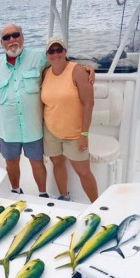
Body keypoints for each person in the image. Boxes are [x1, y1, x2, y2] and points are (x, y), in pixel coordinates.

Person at [0, 23, 94, 198]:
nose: (12, 40)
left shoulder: (39, 57)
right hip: (8, 128)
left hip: (33, 127)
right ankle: (15, 191)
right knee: (11, 162)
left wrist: (85, 67)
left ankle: (42, 194)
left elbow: (61, 61)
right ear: (1, 43)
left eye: (15, 35)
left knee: (37, 162)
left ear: (22, 37)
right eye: (6, 37)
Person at [41, 36, 98, 202]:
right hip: (51, 130)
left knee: (83, 171)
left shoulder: (78, 71)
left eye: (59, 50)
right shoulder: (45, 72)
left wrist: (84, 134)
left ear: (65, 51)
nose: (55, 54)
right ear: (47, 54)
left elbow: (89, 103)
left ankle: (97, 204)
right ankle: (64, 196)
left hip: (75, 133)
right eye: (51, 51)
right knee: (57, 163)